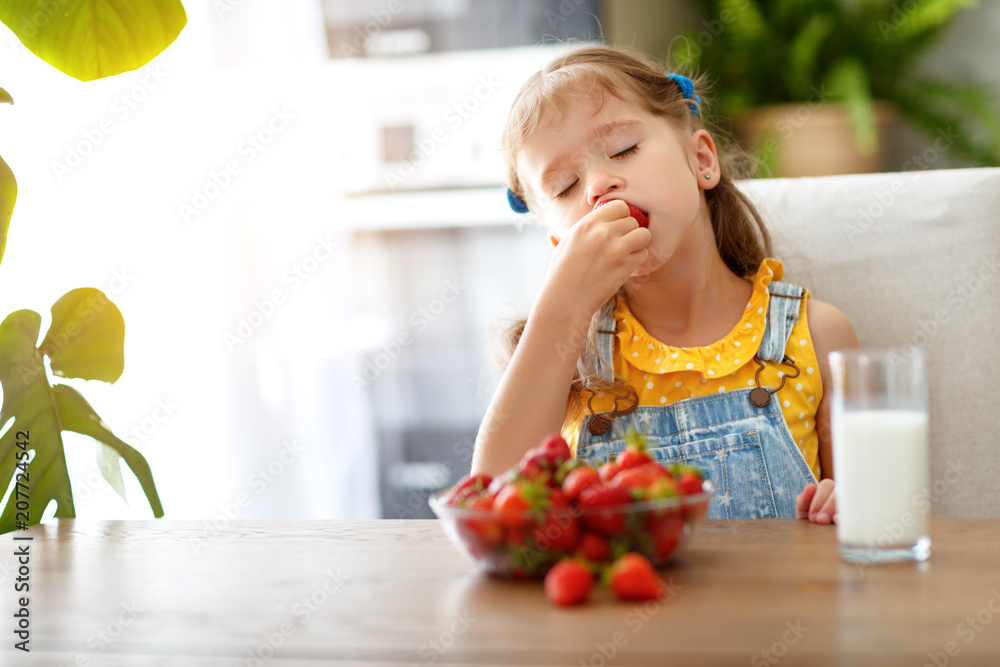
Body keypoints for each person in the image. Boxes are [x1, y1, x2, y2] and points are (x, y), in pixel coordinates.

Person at [470, 45, 859, 523]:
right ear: (559, 243)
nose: (597, 186)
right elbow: (491, 506)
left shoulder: (817, 336)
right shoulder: (563, 358)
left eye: (623, 150)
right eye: (565, 186)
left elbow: (878, 513)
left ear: (701, 161)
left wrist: (857, 504)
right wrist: (562, 309)